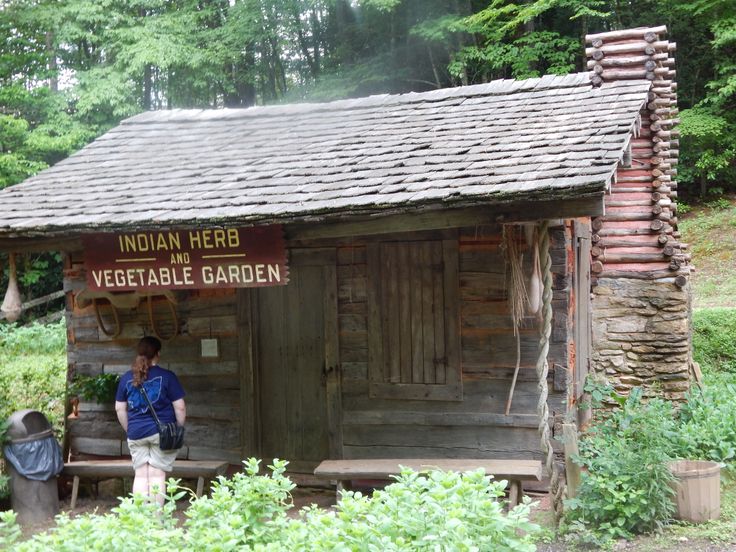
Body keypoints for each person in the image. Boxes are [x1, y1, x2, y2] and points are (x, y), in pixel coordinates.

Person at [115, 336, 186, 503]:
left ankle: (140, 521)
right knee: (157, 475)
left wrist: (129, 429)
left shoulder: (126, 378)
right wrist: (178, 428)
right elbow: (180, 407)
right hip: (161, 433)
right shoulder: (167, 376)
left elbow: (119, 408)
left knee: (140, 475)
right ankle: (156, 520)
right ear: (158, 354)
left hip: (136, 432)